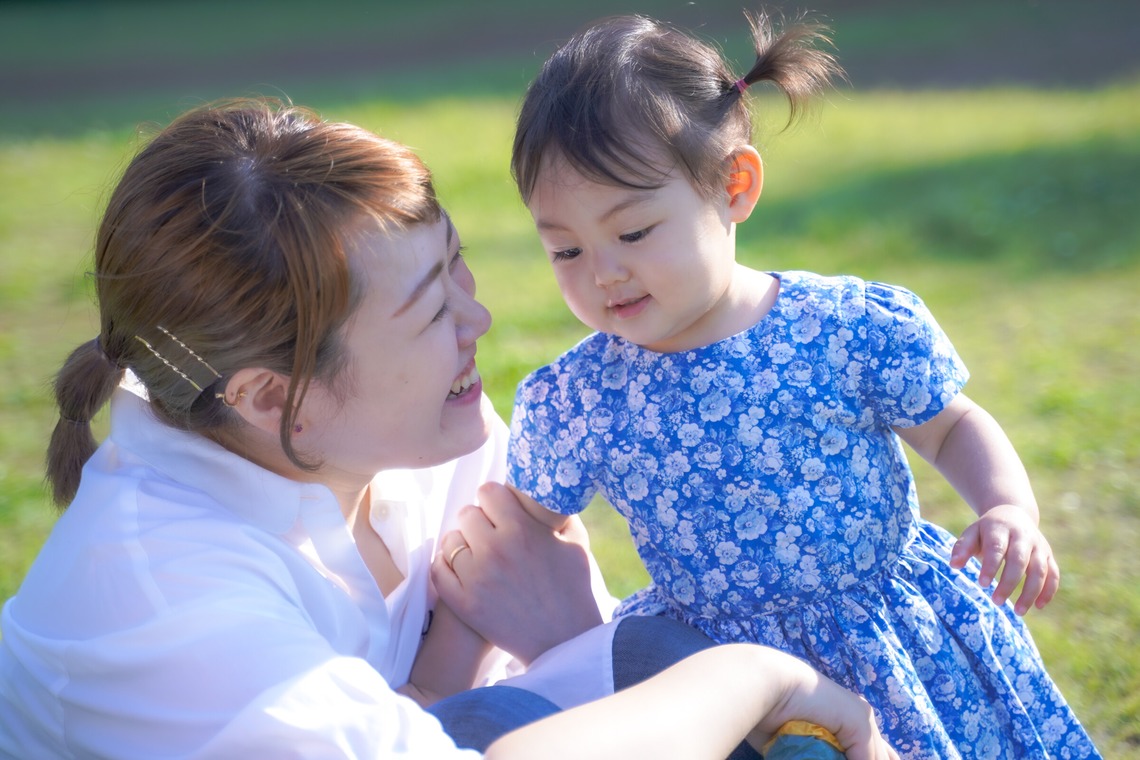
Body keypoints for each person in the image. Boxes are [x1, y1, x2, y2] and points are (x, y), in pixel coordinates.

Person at [0, 97, 898, 760]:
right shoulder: (164, 602)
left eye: (456, 268)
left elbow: (531, 673)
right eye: (433, 312)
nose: (479, 322)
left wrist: (544, 646)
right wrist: (755, 674)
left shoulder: (396, 436)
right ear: (275, 399)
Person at [503, 10, 1103, 758]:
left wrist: (1007, 505)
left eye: (631, 233)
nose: (603, 272)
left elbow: (950, 424)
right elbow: (525, 518)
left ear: (734, 186)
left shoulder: (843, 327)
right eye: (564, 249)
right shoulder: (583, 396)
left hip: (891, 641)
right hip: (718, 680)